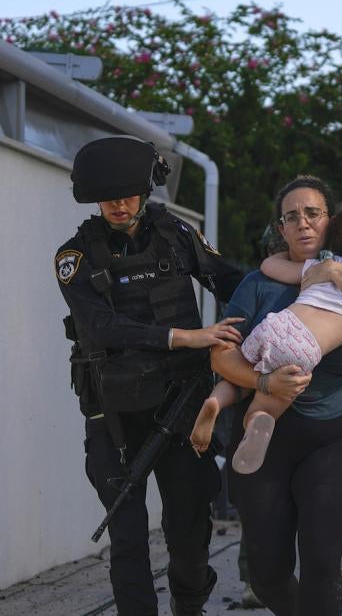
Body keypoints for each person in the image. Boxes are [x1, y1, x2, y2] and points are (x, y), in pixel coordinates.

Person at [55, 136, 246, 616]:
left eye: (128, 194)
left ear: (145, 190)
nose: (119, 205)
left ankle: (189, 605)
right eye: (109, 196)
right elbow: (102, 326)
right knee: (128, 534)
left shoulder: (176, 235)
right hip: (114, 412)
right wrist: (187, 337)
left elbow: (228, 281)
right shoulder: (74, 256)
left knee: (189, 529)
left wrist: (292, 296)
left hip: (182, 404)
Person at [210, 176, 342, 615]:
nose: (303, 224)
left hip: (337, 435)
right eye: (291, 217)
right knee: (266, 574)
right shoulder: (258, 284)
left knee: (322, 557)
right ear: (280, 228)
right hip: (267, 436)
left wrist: (334, 270)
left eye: (313, 214)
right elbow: (222, 358)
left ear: (332, 221)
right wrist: (265, 384)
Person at [190, 201, 342, 474]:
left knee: (241, 375)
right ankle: (257, 421)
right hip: (304, 347)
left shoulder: (323, 264)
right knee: (269, 402)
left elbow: (270, 266)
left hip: (276, 325)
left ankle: (215, 402)